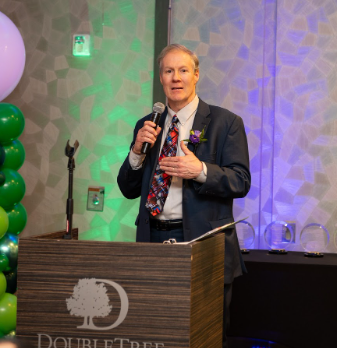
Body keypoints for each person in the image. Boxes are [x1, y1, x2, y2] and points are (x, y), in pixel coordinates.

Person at [117, 44, 251, 347]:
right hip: (152, 241)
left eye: (183, 70)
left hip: (203, 245)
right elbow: (127, 189)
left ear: (196, 75)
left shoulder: (225, 123)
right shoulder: (147, 124)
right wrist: (136, 152)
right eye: (168, 71)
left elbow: (241, 181)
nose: (175, 78)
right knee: (156, 334)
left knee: (205, 336)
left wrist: (201, 169)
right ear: (161, 78)